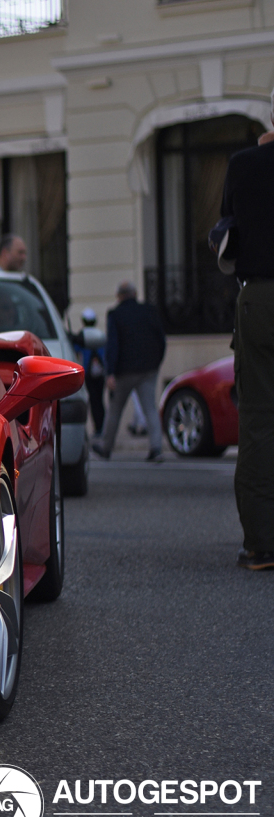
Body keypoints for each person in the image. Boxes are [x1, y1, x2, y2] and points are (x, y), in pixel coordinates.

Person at [218, 89, 274, 570]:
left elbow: (226, 227)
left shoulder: (244, 164)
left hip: (258, 297)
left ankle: (261, 543)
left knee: (258, 420)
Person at [93, 282, 166, 463]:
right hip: (148, 368)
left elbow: (113, 346)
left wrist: (110, 372)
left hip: (124, 371)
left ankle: (106, 447)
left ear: (119, 296)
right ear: (135, 294)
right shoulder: (149, 310)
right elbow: (161, 339)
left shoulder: (116, 315)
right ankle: (156, 448)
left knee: (115, 409)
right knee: (150, 408)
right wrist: (156, 363)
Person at [69, 307, 106, 434]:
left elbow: (76, 351)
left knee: (93, 400)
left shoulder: (82, 336)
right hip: (101, 373)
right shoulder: (99, 335)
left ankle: (98, 427)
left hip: (89, 373)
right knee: (99, 400)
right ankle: (101, 427)